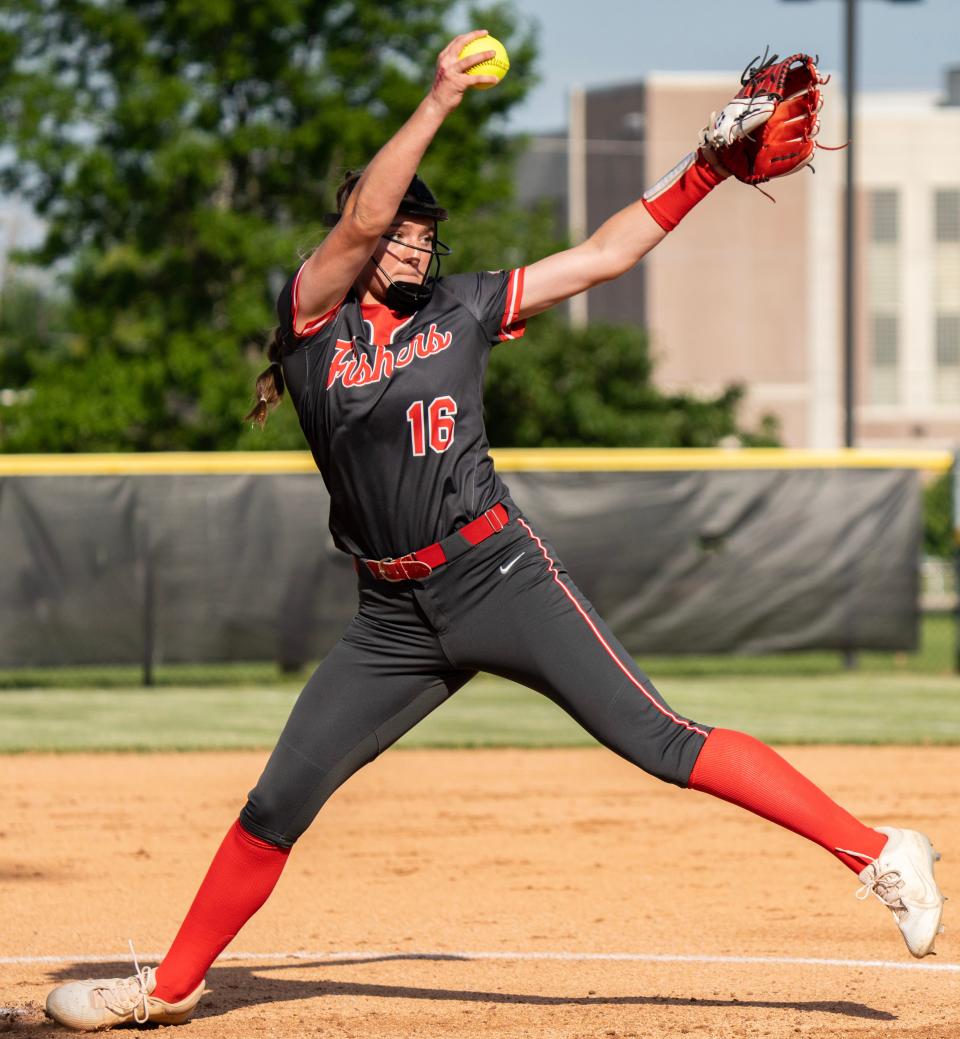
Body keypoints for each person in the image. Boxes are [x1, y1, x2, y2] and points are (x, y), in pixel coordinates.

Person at [45, 29, 945, 1032]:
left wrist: (700, 174)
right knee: (276, 802)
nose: (415, 237)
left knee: (657, 737)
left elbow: (603, 255)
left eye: (427, 228)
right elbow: (360, 214)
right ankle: (167, 988)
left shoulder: (464, 309)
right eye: (400, 227)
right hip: (391, 615)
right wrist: (435, 100)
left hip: (498, 574)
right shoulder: (311, 326)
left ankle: (881, 851)